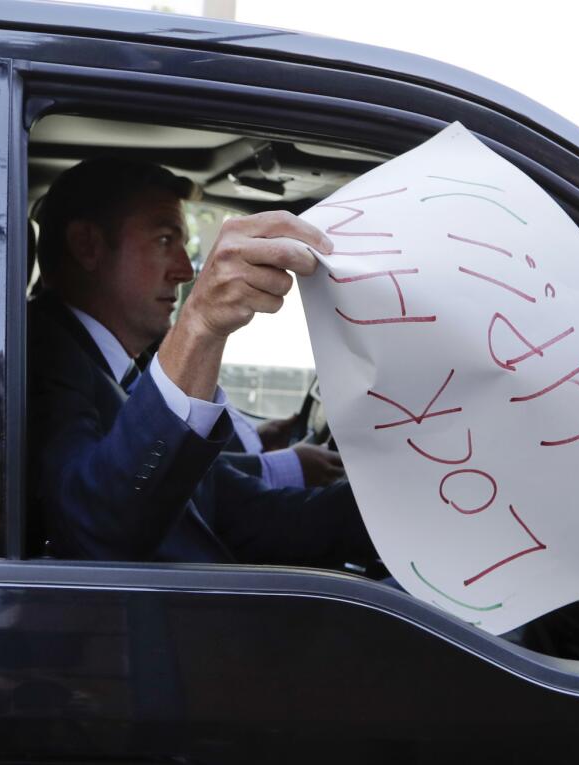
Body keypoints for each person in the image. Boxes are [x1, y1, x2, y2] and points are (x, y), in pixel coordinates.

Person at [26, 157, 371, 565]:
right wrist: (200, 322)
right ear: (88, 246)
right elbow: (96, 528)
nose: (183, 270)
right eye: (164, 240)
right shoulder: (38, 360)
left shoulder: (106, 366)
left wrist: (404, 506)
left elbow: (249, 514)